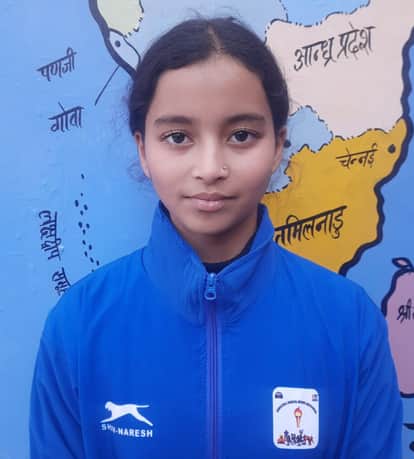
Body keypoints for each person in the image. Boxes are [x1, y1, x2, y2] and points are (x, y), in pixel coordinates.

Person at [30, 17, 402, 458]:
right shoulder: (78, 326)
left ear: (277, 146)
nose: (210, 168)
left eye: (241, 135)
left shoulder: (350, 324)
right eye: (178, 137)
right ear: (143, 149)